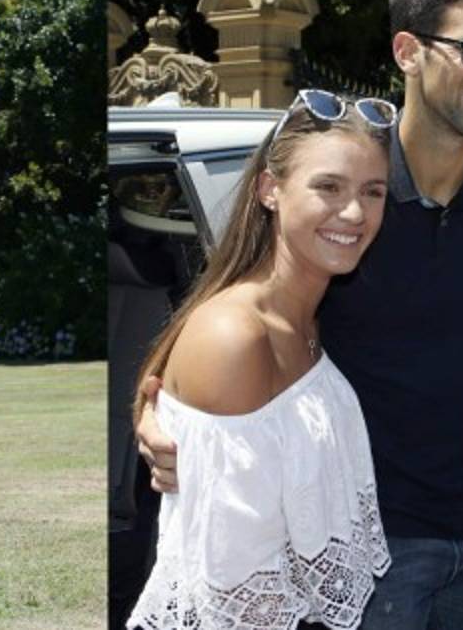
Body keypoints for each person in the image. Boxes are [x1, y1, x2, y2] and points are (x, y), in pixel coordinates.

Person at [136, 0, 463, 630]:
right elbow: (229, 312)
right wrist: (156, 418)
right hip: (368, 546)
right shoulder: (344, 185)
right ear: (408, 51)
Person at [127, 90, 397, 629]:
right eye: (328, 187)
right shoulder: (236, 336)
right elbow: (239, 592)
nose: (354, 212)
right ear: (271, 190)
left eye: (373, 191)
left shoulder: (312, 312)